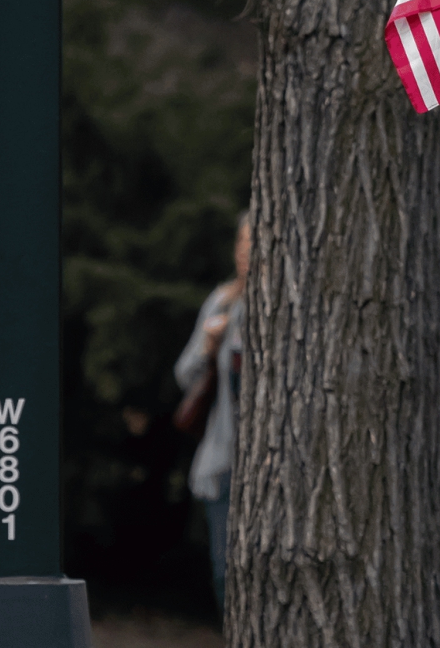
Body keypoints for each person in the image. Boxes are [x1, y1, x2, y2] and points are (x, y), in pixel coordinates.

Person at [175, 215, 247, 613]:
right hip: (223, 464)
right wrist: (208, 344)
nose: (244, 250)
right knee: (224, 573)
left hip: (271, 467)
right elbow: (184, 374)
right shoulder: (222, 301)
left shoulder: (285, 308)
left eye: (253, 241)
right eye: (240, 240)